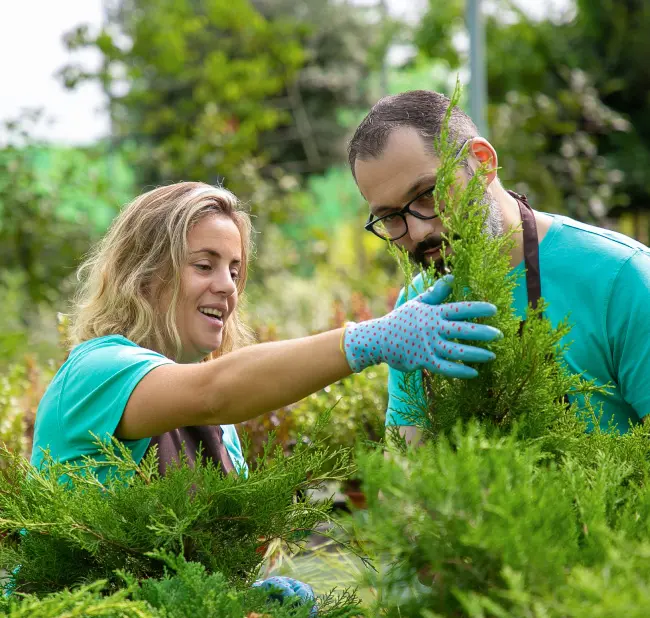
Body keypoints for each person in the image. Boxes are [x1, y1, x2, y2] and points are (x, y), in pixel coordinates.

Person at [27, 181, 502, 606]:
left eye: (235, 271)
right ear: (145, 274)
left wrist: (248, 596)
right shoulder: (96, 372)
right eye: (204, 265)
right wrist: (365, 341)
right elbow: (212, 391)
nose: (227, 287)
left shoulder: (219, 431)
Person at [347, 90, 650, 443]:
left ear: (482, 163)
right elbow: (405, 462)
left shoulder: (622, 278)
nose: (418, 231)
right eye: (389, 217)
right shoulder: (418, 309)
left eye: (429, 193)